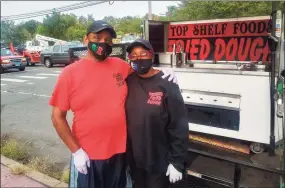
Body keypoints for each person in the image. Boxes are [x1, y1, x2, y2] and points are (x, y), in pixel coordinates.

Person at [49, 20, 177, 188]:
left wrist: (162, 72)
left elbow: (144, 75)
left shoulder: (120, 66)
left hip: (120, 153)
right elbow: (57, 117)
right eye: (97, 37)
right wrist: (76, 151)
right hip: (89, 156)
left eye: (108, 40)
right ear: (86, 40)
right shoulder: (70, 73)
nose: (103, 43)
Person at [125, 39, 189, 188]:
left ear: (152, 56)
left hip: (159, 161)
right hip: (134, 160)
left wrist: (177, 162)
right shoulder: (128, 81)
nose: (138, 58)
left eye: (143, 54)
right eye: (133, 56)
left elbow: (179, 125)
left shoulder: (167, 83)